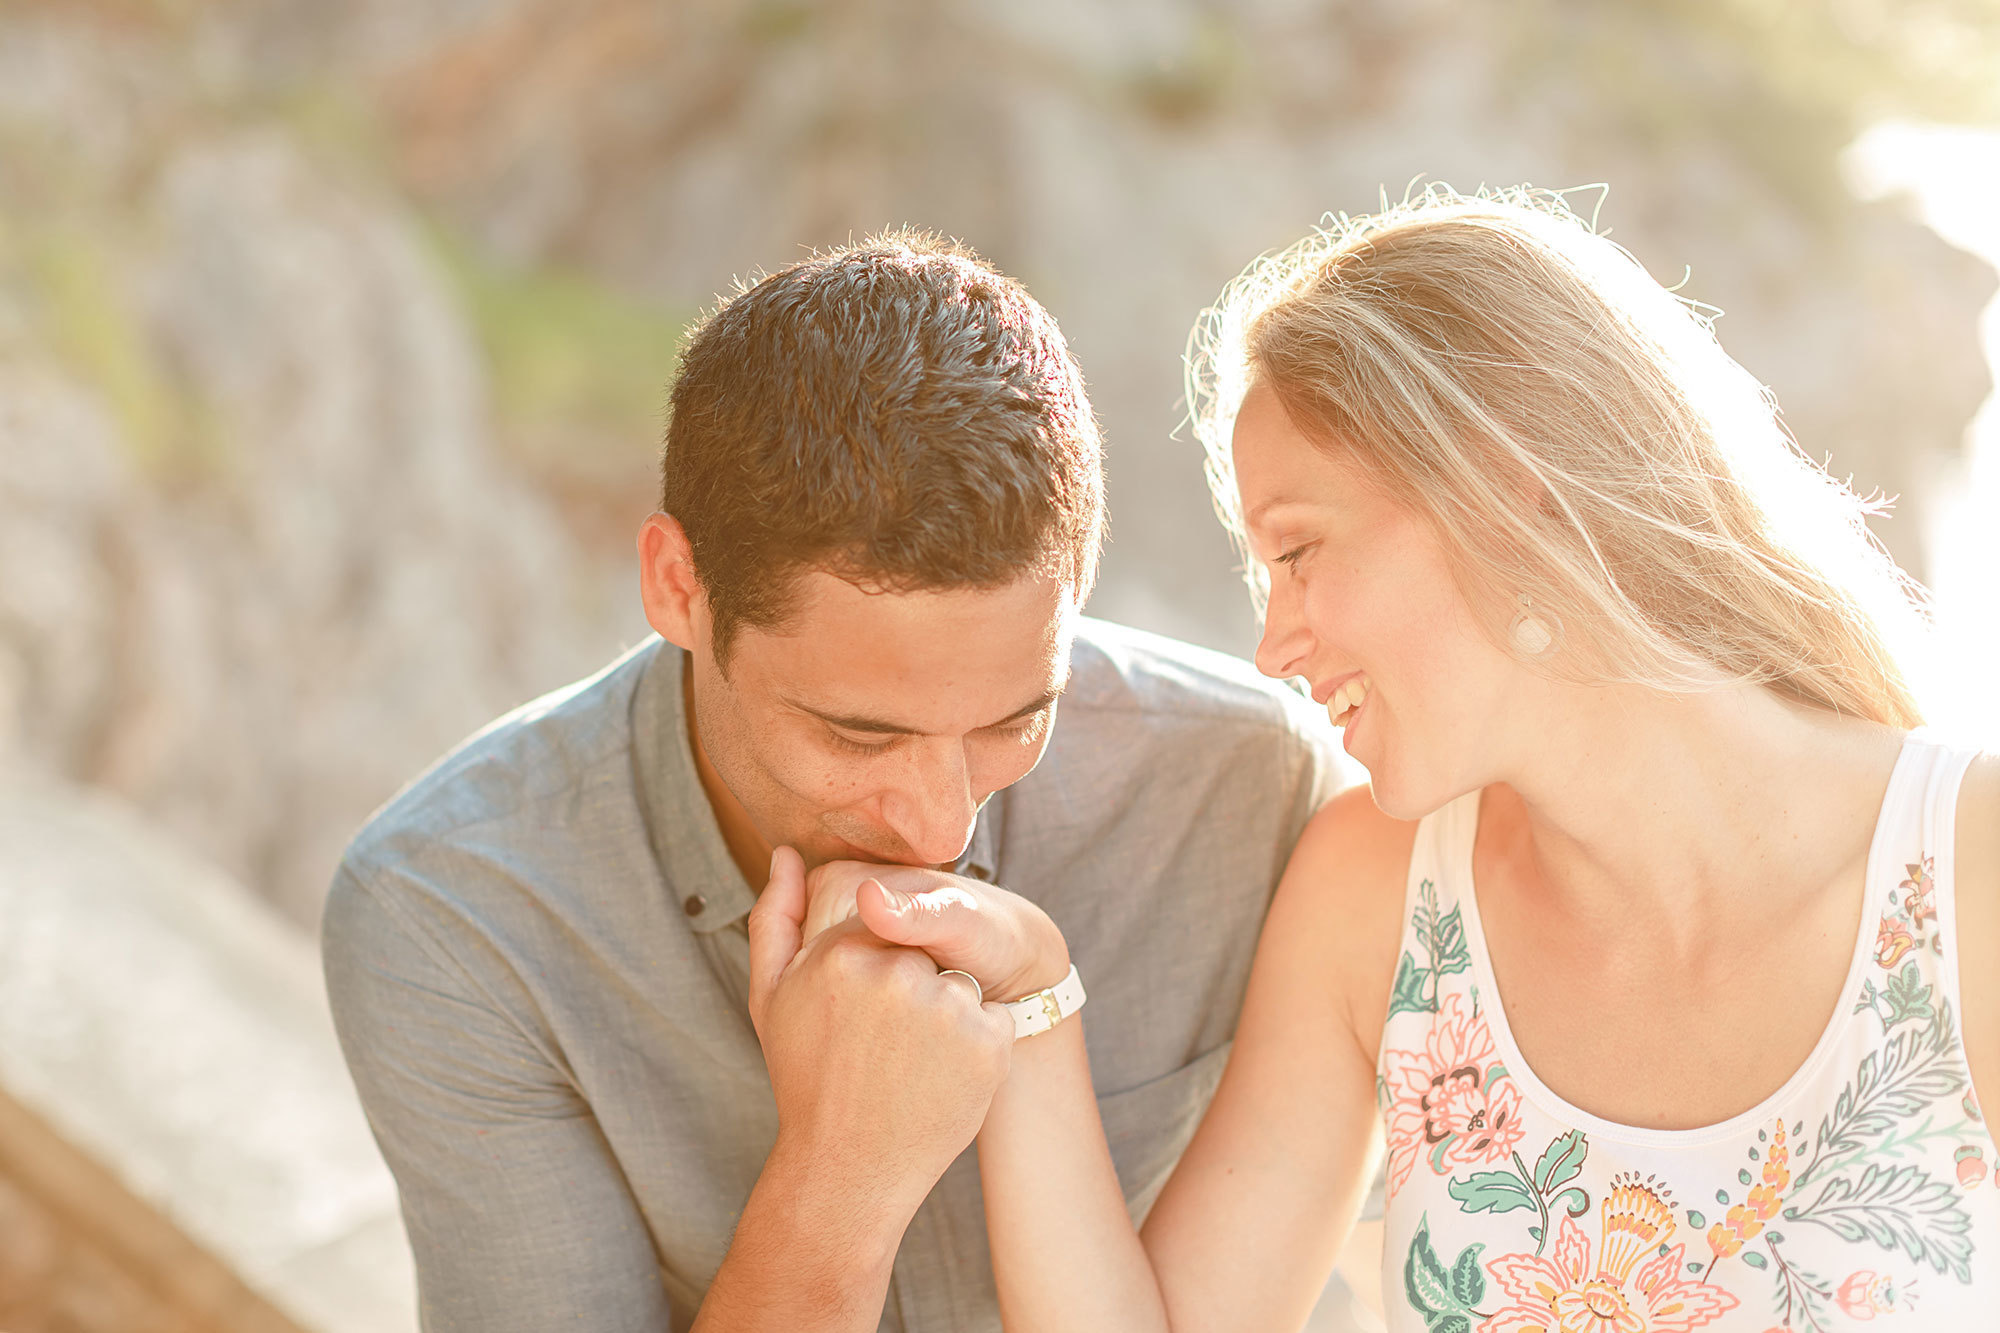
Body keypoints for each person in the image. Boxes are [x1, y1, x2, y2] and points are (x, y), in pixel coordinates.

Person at [786, 190, 2000, 1331]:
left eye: (1299, 553)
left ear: (1499, 489)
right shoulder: (1381, 894)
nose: (1270, 644)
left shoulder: (1968, 868)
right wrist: (1032, 999)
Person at [321, 230, 1354, 1333]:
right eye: (857, 735)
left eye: (1017, 720)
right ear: (678, 588)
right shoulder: (453, 918)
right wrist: (839, 1177)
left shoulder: (1253, 789)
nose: (940, 823)